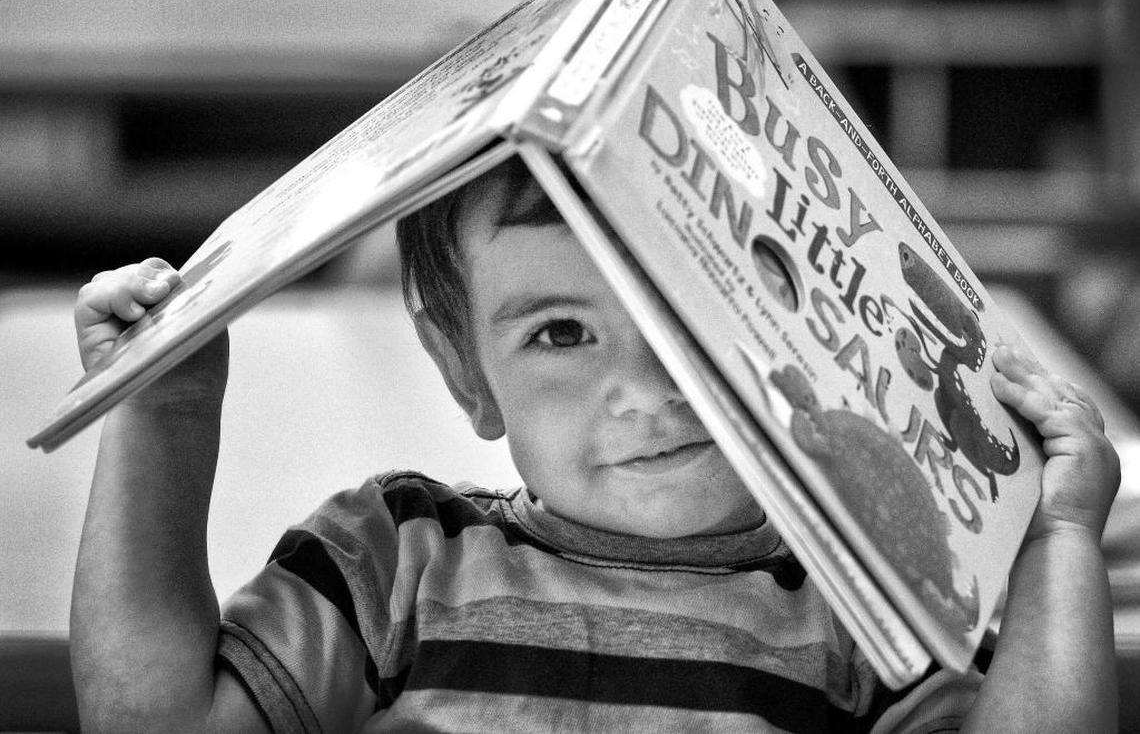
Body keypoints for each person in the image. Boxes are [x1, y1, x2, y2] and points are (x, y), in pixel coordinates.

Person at [69, 157, 1120, 732]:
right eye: (561, 332)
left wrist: (1059, 536)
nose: (647, 389)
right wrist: (161, 411)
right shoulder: (389, 556)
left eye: (695, 312)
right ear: (466, 369)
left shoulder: (862, 601)